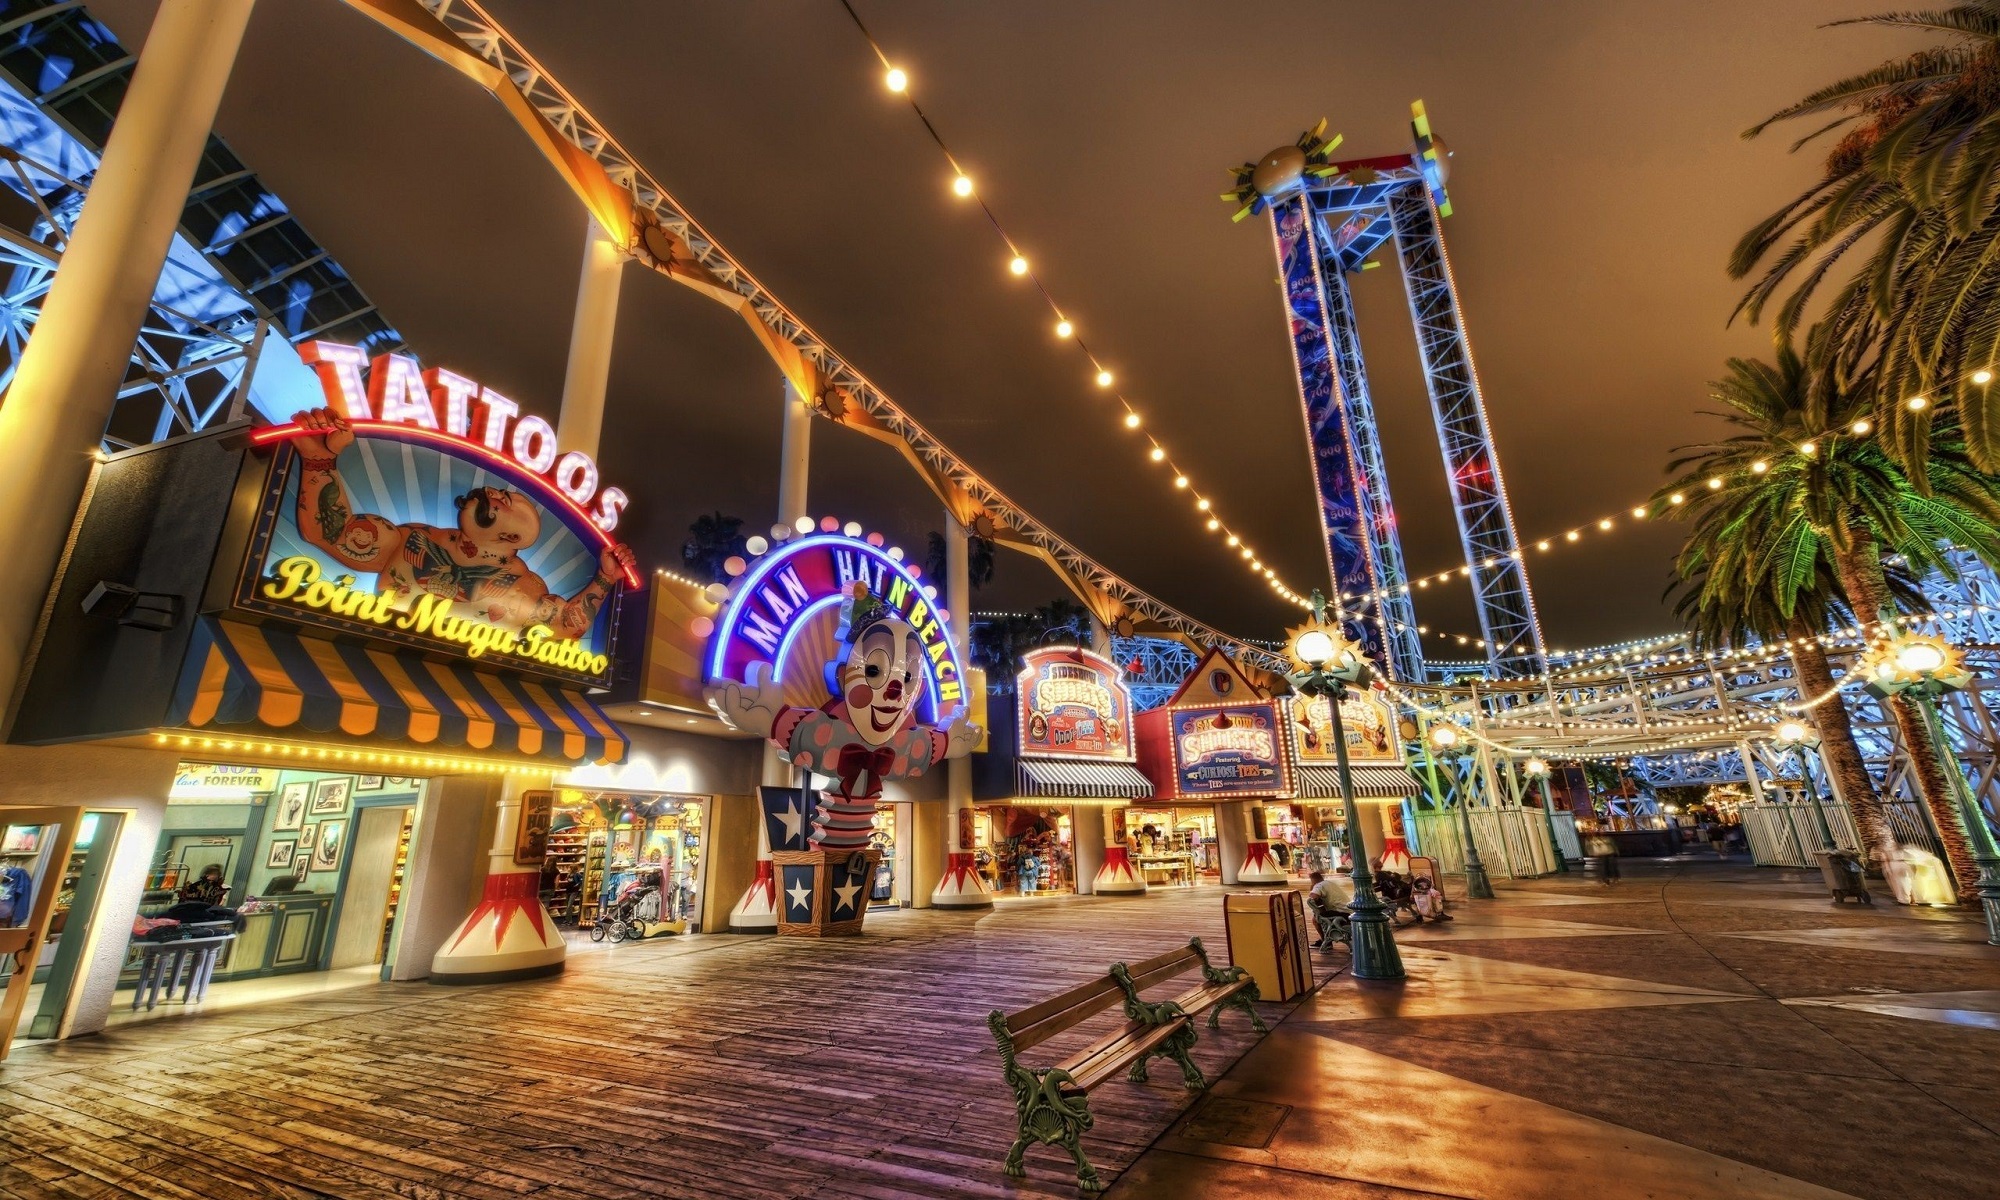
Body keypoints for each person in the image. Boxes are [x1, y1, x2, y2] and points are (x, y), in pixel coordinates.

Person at [288, 407, 634, 639]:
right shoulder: (412, 540)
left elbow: (564, 626)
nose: (497, 495)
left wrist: (605, 579)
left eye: (507, 504)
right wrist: (319, 459)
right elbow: (331, 533)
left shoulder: (524, 589)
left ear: (511, 536)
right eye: (500, 492)